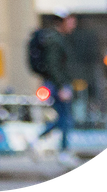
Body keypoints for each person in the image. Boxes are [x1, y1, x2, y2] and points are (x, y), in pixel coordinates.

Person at [36, 11, 76, 160]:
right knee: (66, 118)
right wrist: (61, 87)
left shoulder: (58, 39)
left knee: (63, 118)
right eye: (70, 21)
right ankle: (64, 151)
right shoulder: (55, 40)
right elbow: (53, 66)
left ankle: (37, 141)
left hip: (59, 84)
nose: (73, 24)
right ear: (62, 22)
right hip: (58, 85)